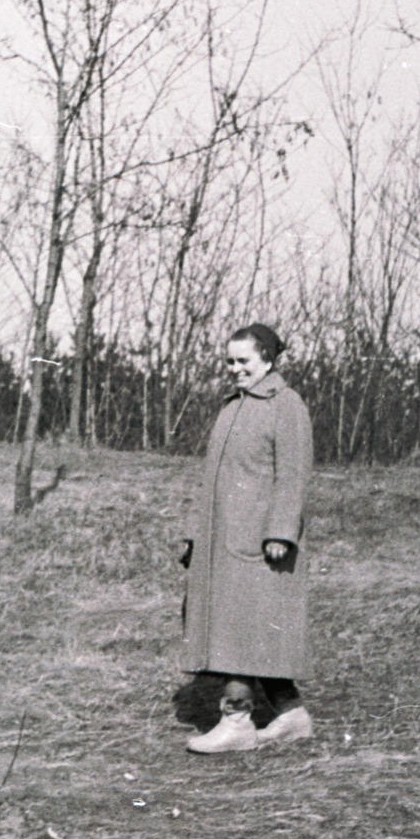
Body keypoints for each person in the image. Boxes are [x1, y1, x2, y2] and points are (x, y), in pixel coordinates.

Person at [178, 322, 315, 753]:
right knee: (247, 630)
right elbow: (216, 482)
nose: (235, 369)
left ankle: (237, 721)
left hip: (259, 544)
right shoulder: (232, 406)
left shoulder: (286, 405)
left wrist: (280, 531)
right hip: (224, 542)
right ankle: (291, 715)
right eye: (230, 361)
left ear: (269, 360)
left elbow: (294, 474)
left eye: (244, 361)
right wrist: (195, 537)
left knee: (241, 630)